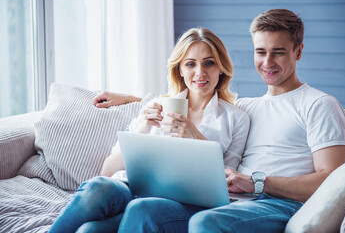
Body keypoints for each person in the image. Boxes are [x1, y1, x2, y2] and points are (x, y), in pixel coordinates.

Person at [94, 9, 345, 233]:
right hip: (232, 201)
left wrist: (257, 182)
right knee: (140, 210)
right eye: (260, 52)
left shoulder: (319, 104)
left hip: (278, 204)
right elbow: (198, 96)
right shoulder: (248, 107)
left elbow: (335, 182)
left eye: (278, 52)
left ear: (298, 51)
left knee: (205, 223)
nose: (267, 62)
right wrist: (130, 99)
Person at [48, 27, 250, 233]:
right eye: (190, 64)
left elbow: (225, 187)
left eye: (209, 63)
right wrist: (143, 127)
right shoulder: (157, 106)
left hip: (182, 204)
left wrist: (195, 137)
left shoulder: (235, 118)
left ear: (221, 68)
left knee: (89, 231)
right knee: (97, 187)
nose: (200, 72)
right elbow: (107, 171)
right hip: (134, 191)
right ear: (180, 69)